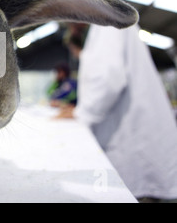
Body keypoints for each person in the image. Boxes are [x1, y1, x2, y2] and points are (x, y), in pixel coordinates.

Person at [57, 23, 177, 201]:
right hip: (134, 135)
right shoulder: (102, 28)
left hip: (137, 140)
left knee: (136, 193)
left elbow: (108, 79)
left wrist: (81, 113)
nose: (69, 26)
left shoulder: (108, 23)